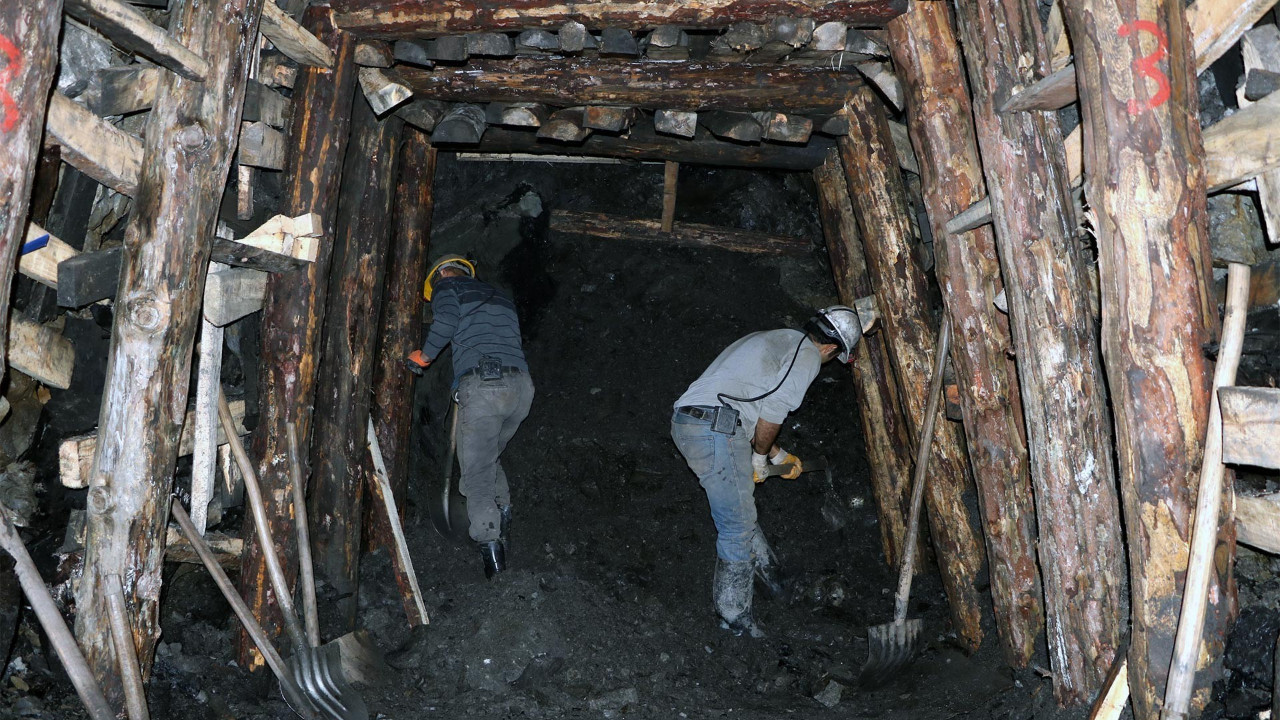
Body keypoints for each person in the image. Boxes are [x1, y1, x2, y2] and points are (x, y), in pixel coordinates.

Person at [670, 306, 863, 637]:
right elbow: (773, 414)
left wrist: (778, 454)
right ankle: (734, 618)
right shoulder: (808, 357)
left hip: (689, 422)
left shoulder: (778, 339)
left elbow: (753, 403)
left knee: (739, 508)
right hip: (718, 428)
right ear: (832, 348)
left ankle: (775, 580)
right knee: (737, 525)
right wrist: (759, 456)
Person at [407, 254, 533, 579]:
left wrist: (423, 357)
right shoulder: (499, 296)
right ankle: (503, 513)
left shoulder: (450, 287)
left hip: (485, 387)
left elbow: (446, 320)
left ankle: (494, 563)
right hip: (520, 388)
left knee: (475, 475)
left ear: (442, 274)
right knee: (488, 457)